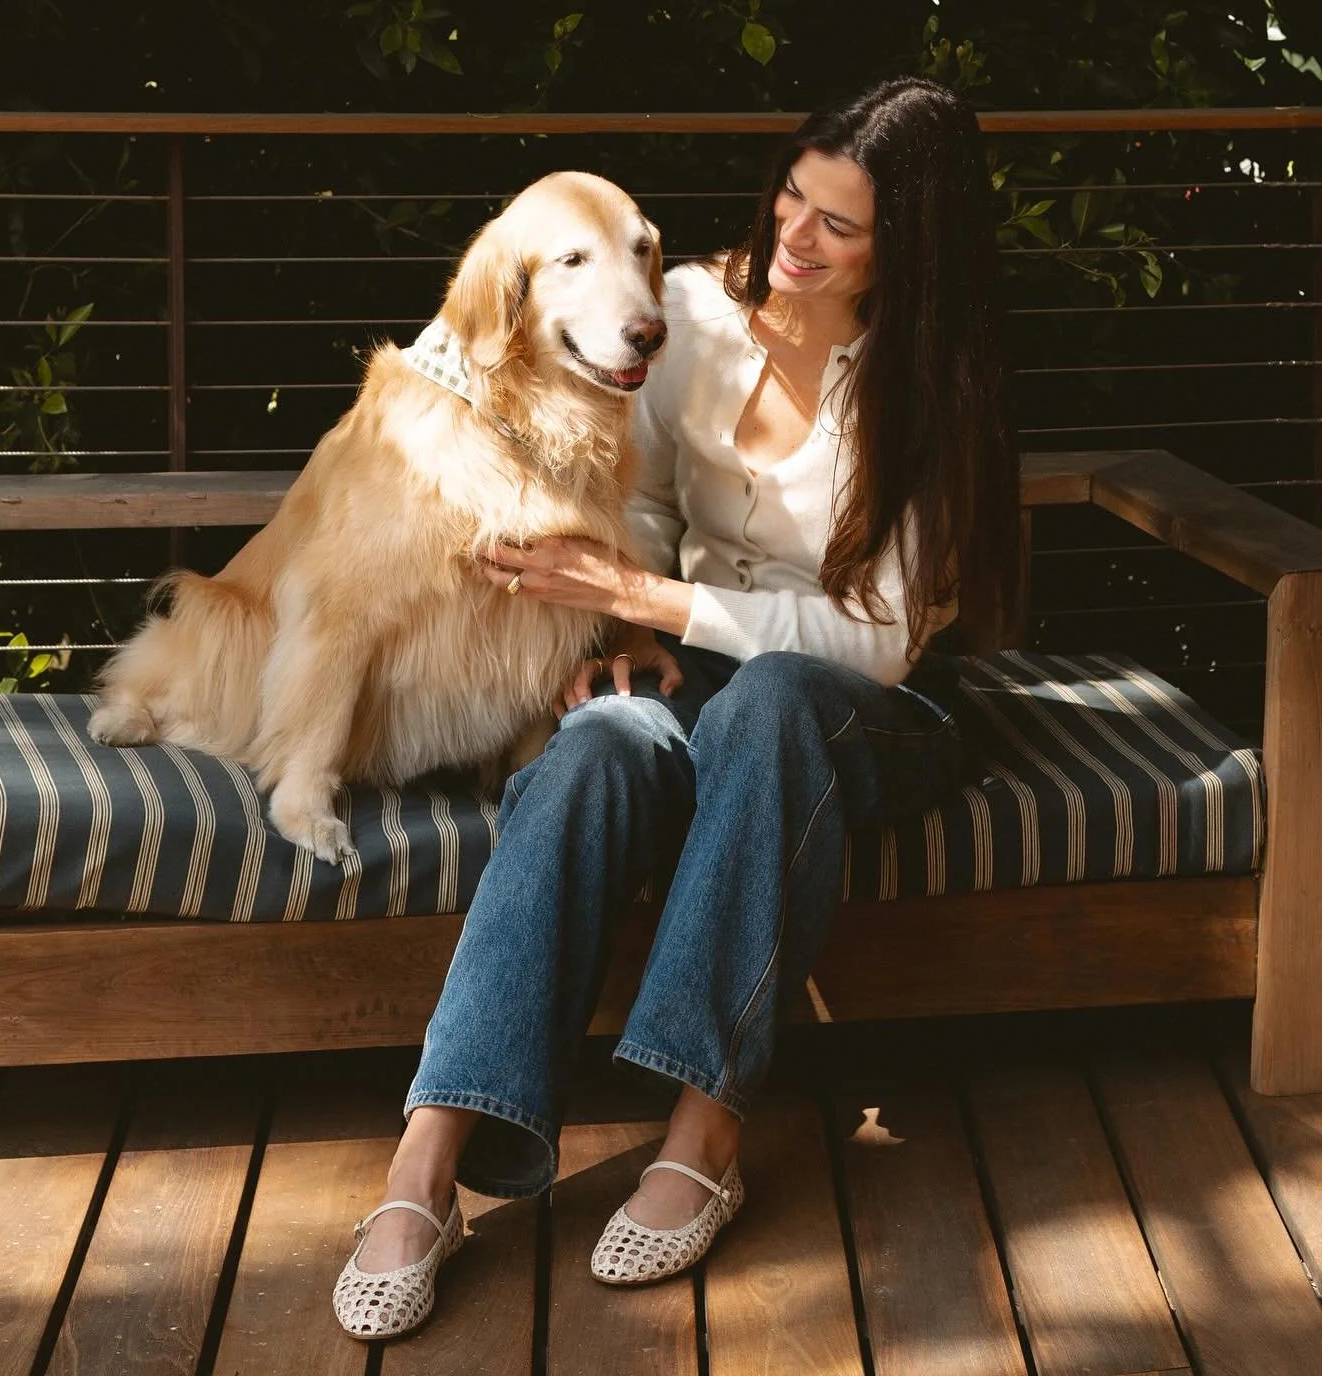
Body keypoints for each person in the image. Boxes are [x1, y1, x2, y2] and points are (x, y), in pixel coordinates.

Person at [331, 76, 1020, 1339]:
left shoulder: (927, 387)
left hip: (872, 709)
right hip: (701, 663)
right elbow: (640, 499)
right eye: (791, 197)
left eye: (839, 226)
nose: (793, 236)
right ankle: (427, 1164)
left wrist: (655, 599)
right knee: (598, 744)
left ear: (911, 248)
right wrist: (626, 628)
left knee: (771, 706)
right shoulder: (693, 313)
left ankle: (703, 1135)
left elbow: (877, 644)